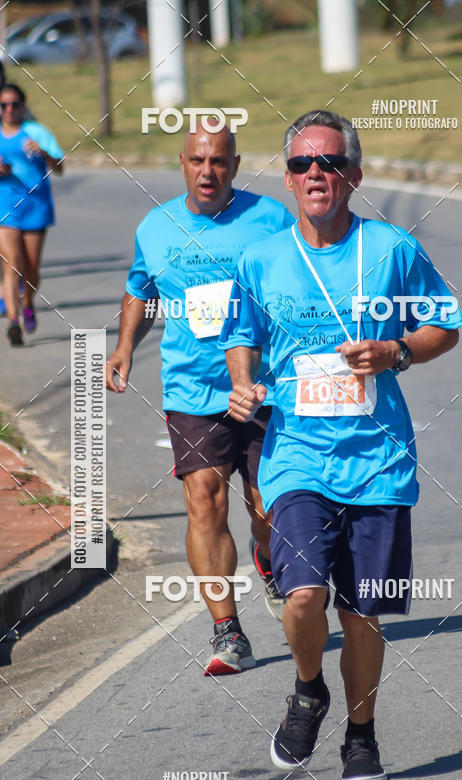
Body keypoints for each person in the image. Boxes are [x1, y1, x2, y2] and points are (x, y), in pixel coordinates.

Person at [220, 109, 462, 780]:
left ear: (353, 175)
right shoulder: (262, 256)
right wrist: (243, 383)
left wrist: (397, 351)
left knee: (362, 614)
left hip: (379, 460)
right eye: (301, 164)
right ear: (290, 178)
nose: (315, 174)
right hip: (297, 454)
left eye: (329, 163)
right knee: (302, 599)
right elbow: (241, 329)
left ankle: (361, 733)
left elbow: (445, 326)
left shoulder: (391, 250)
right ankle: (307, 691)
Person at [106, 123, 294, 676]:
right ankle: (227, 631)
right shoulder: (156, 226)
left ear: (235, 166)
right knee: (204, 499)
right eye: (197, 161)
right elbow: (140, 288)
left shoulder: (272, 220)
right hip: (192, 389)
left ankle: (268, 558)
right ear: (182, 163)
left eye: (218, 162)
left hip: (266, 388)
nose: (207, 171)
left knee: (270, 506)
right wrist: (123, 348)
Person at [0, 83, 63, 346]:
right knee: (12, 265)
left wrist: (44, 153)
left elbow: (60, 168)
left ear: (23, 106)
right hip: (5, 207)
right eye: (3, 105)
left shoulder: (36, 132)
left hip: (36, 207)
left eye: (14, 104)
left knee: (31, 271)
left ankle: (28, 303)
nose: (9, 110)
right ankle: (14, 321)